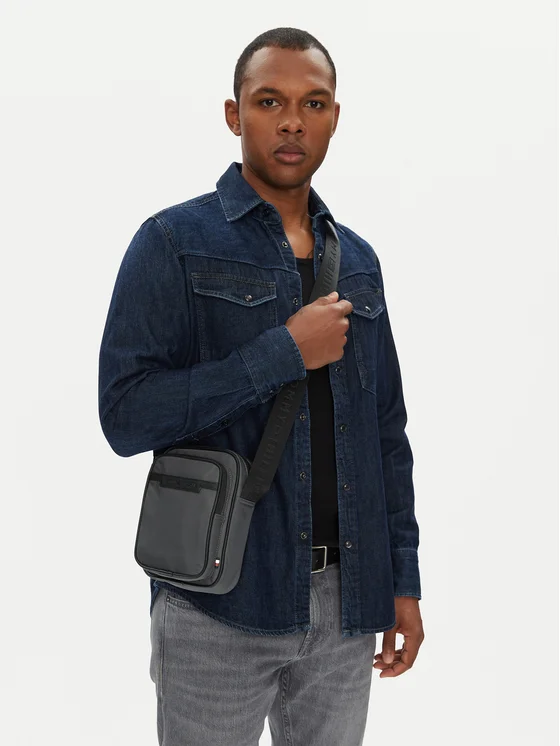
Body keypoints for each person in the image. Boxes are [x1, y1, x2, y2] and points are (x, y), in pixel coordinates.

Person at [98, 26, 424, 746]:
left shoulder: (359, 261)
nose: (292, 122)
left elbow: (386, 434)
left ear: (334, 118)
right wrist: (282, 353)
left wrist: (402, 580)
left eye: (314, 103)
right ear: (233, 113)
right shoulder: (172, 243)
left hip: (347, 607)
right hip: (218, 603)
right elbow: (125, 415)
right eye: (270, 100)